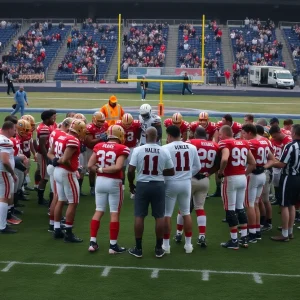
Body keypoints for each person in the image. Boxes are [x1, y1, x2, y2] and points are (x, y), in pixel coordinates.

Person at [127, 127, 175, 258]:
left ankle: (138, 248)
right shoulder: (163, 150)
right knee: (159, 217)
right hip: (158, 185)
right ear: (158, 137)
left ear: (145, 136)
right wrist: (159, 173)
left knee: (139, 216)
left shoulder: (138, 150)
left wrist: (131, 184)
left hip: (142, 184)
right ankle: (158, 248)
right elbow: (171, 171)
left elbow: (130, 170)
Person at [87, 125, 130, 254]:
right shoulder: (122, 148)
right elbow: (118, 167)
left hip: (99, 182)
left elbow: (89, 165)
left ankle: (92, 242)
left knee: (98, 211)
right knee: (114, 213)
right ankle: (113, 245)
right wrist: (102, 169)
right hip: (113, 182)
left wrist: (99, 170)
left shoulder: (99, 146)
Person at [175, 127, 219, 247]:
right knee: (200, 208)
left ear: (195, 134)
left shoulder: (191, 142)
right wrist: (209, 173)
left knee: (183, 208)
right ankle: (202, 235)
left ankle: (179, 233)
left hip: (190, 178)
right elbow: (218, 163)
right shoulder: (215, 145)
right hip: (204, 179)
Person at [162, 125, 201, 254]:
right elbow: (198, 167)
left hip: (171, 183)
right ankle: (188, 245)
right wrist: (188, 174)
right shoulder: (192, 147)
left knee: (167, 214)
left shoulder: (165, 148)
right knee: (186, 213)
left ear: (169, 135)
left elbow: (161, 168)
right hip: (185, 183)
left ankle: (166, 245)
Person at [218, 125, 256, 249]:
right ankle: (244, 238)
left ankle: (234, 240)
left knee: (230, 210)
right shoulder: (244, 142)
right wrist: (243, 173)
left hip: (231, 179)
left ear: (224, 134)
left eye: (220, 134)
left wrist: (221, 172)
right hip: (242, 178)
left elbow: (224, 159)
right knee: (240, 207)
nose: (219, 136)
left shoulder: (225, 142)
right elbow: (253, 163)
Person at [52, 119, 86, 243]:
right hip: (66, 172)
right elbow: (65, 159)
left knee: (61, 199)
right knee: (73, 202)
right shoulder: (72, 139)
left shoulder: (61, 136)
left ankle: (56, 229)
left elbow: (52, 154)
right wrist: (75, 167)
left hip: (58, 172)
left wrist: (56, 160)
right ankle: (69, 232)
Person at [241, 124, 275, 243]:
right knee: (255, 203)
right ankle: (256, 231)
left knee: (250, 204)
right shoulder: (264, 142)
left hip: (253, 175)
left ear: (249, 133)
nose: (242, 135)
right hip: (262, 175)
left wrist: (244, 174)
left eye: (244, 133)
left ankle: (252, 233)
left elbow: (252, 163)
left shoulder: (250, 143)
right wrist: (264, 167)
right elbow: (272, 159)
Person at [271, 124, 300, 242]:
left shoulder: (291, 146)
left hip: (288, 177)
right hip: (298, 177)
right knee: (292, 204)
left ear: (294, 133)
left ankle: (284, 234)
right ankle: (290, 231)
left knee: (284, 205)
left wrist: (271, 162)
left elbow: (282, 164)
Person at [47, 118, 72, 232]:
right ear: (67, 126)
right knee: (57, 196)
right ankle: (52, 224)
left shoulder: (55, 131)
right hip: (56, 166)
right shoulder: (61, 135)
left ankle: (53, 222)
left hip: (54, 164)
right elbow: (57, 153)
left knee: (57, 196)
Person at [85, 112, 109, 196]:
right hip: (91, 150)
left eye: (103, 121)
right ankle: (92, 186)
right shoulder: (90, 127)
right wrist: (100, 139)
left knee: (104, 167)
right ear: (94, 120)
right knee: (92, 169)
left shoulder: (105, 125)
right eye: (99, 121)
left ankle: (103, 185)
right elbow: (90, 142)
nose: (102, 123)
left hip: (102, 149)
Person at [0, 121, 18, 234]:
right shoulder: (5, 141)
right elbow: (5, 161)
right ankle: (2, 225)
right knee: (4, 197)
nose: (15, 131)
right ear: (9, 129)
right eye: (14, 129)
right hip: (3, 172)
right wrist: (12, 173)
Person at [116, 113, 141, 191]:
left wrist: (138, 141)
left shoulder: (136, 124)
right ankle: (122, 183)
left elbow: (140, 133)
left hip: (132, 148)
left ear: (132, 122)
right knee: (122, 167)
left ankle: (131, 185)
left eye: (129, 124)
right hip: (122, 148)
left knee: (132, 168)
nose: (127, 126)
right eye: (125, 124)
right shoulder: (118, 124)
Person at [36, 110, 56, 205]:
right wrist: (47, 157)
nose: (54, 119)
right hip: (44, 154)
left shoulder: (46, 126)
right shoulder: (44, 128)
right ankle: (40, 199)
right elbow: (42, 145)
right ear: (47, 118)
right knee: (44, 177)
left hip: (45, 154)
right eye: (53, 117)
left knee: (45, 176)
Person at [269, 125, 292, 205]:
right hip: (275, 164)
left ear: (279, 132)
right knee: (276, 183)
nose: (274, 138)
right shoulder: (272, 140)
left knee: (284, 184)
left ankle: (284, 199)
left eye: (275, 136)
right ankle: (278, 198)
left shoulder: (288, 140)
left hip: (284, 165)